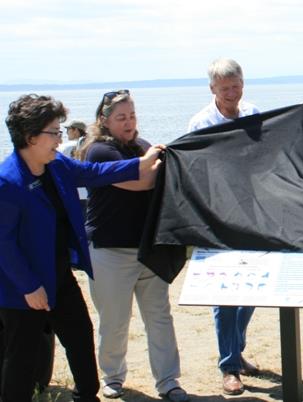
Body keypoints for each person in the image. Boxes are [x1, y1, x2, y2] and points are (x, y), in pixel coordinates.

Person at [0, 93, 163, 402]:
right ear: (30, 136)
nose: (60, 138)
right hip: (23, 290)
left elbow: (94, 173)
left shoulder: (57, 163)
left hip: (59, 277)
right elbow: (3, 244)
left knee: (80, 338)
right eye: (53, 132)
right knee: (21, 358)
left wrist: (140, 164)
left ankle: (86, 396)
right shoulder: (7, 182)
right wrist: (29, 286)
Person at [78, 90, 189, 401]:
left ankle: (168, 381)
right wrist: (158, 161)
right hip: (109, 251)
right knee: (114, 320)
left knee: (159, 317)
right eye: (121, 118)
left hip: (146, 249)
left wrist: (163, 157)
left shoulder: (142, 147)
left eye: (132, 116)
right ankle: (112, 377)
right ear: (105, 120)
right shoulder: (99, 151)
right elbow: (140, 180)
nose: (129, 123)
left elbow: (154, 170)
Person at [187, 57, 261, 395]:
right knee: (225, 293)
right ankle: (229, 366)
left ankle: (237, 350)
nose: (232, 93)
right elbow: (194, 171)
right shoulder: (201, 122)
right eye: (225, 88)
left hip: (255, 213)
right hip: (218, 216)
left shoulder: (254, 114)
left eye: (236, 85)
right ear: (212, 89)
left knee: (253, 287)